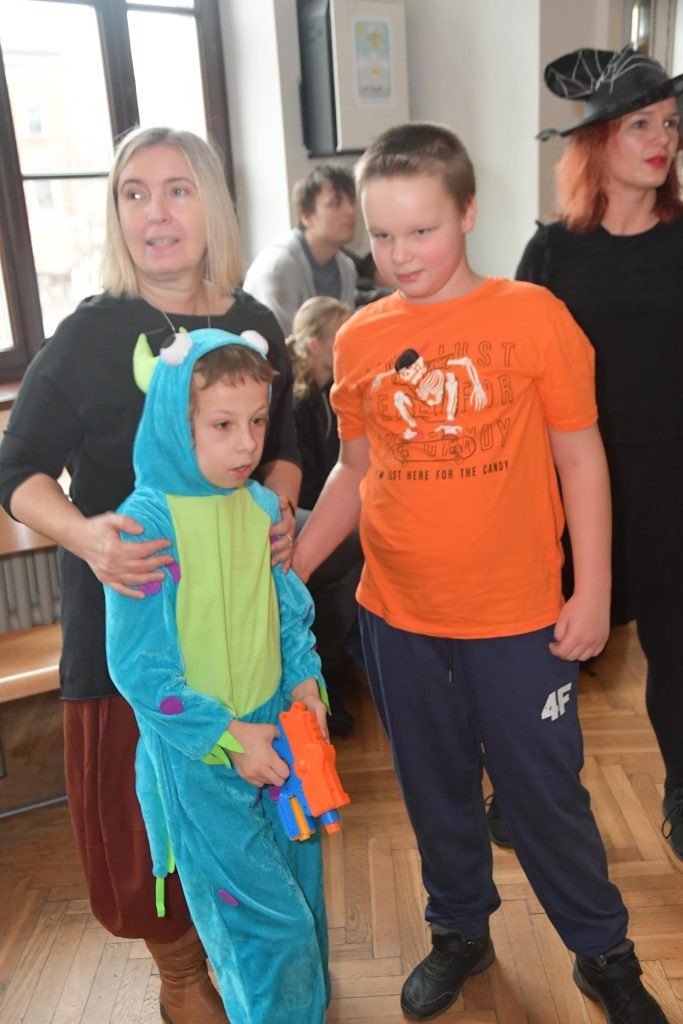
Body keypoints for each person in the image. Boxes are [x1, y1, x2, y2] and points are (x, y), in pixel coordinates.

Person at [293, 121, 668, 1024]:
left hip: (518, 620)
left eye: (421, 229)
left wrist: (593, 591)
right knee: (434, 789)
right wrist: (292, 569)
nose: (399, 254)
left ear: (466, 213)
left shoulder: (532, 317)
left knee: (543, 794)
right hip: (397, 618)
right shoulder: (361, 339)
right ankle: (459, 929)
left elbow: (581, 458)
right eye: (383, 234)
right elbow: (354, 470)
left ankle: (601, 950)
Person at [0, 126, 301, 1024]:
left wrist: (281, 507)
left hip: (244, 637)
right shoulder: (88, 335)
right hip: (133, 635)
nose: (155, 213)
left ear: (212, 205)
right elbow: (16, 471)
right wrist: (87, 538)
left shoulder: (255, 324)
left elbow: (286, 447)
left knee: (254, 823)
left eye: (176, 189)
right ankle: (181, 980)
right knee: (147, 838)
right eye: (133, 193)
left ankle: (262, 966)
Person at [487, 46, 683, 866]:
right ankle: (523, 791)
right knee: (549, 651)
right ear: (596, 141)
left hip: (672, 483)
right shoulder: (550, 254)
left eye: (669, 123)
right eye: (640, 124)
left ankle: (680, 798)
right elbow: (513, 376)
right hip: (570, 484)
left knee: (677, 651)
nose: (662, 139)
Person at [104, 327, 330, 1024]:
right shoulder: (146, 525)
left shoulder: (260, 507)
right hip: (201, 755)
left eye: (257, 422)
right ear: (178, 424)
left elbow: (288, 615)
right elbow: (139, 669)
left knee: (302, 901)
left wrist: (305, 687)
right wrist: (230, 736)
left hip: (279, 732)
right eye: (223, 425)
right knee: (265, 929)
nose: (246, 445)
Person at [288, 297, 363, 734]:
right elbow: (311, 484)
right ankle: (328, 668)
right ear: (315, 345)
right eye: (341, 335)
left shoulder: (329, 393)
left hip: (319, 506)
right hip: (303, 510)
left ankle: (342, 661)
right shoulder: (300, 404)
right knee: (353, 546)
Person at [243, 164, 357, 336]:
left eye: (352, 202)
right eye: (336, 203)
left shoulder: (346, 267)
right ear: (306, 216)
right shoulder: (280, 266)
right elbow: (283, 344)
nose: (350, 211)